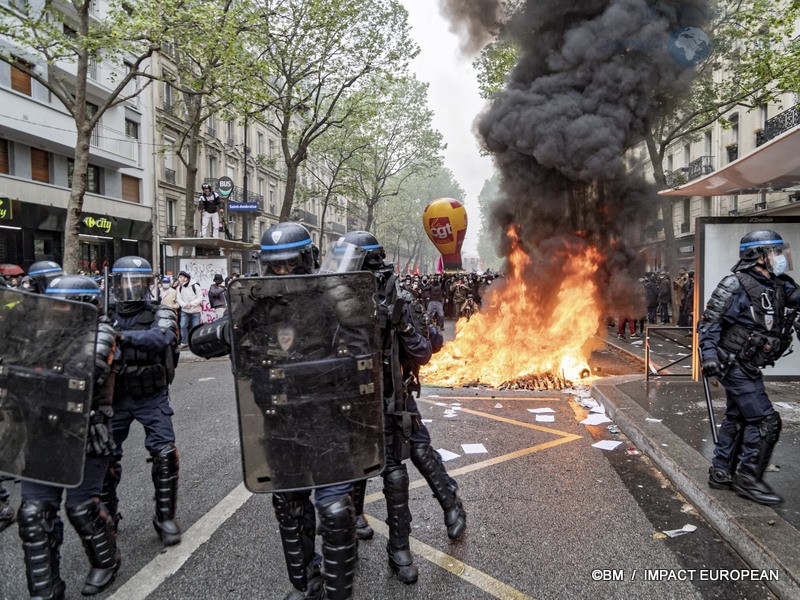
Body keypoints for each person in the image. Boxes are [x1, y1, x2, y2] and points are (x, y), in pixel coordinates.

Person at [191, 222, 372, 600]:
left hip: (327, 421)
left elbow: (361, 357)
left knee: (336, 512)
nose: (282, 273)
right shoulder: (256, 300)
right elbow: (200, 342)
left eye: (289, 265)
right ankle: (308, 583)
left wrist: (304, 373)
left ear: (306, 260)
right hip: (278, 421)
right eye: (275, 267)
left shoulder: (334, 295)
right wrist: (228, 331)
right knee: (290, 506)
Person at [339, 231, 465, 585]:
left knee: (406, 461)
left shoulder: (400, 300)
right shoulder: (338, 301)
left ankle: (434, 518)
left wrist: (403, 323)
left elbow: (424, 351)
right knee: (358, 462)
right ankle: (355, 518)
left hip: (394, 396)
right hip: (354, 399)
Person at [16, 274, 120, 597]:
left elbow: (84, 372)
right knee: (34, 513)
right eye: (55, 305)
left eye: (65, 306)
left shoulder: (102, 334)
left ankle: (107, 559)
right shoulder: (38, 334)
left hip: (85, 435)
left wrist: (31, 375)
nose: (58, 311)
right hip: (41, 432)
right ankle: (46, 587)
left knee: (82, 508)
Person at [699, 230, 800, 506]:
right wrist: (708, 356)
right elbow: (709, 323)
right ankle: (748, 477)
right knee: (766, 420)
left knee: (739, 417)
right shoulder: (735, 285)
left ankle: (721, 471)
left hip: (750, 364)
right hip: (731, 363)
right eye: (776, 252)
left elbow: (795, 300)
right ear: (759, 255)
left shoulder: (780, 284)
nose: (781, 258)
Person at [102, 256, 183, 545]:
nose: (132, 288)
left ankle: (165, 518)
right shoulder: (104, 315)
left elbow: (161, 339)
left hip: (151, 395)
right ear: (116, 284)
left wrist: (120, 338)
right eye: (127, 282)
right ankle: (107, 517)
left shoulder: (161, 312)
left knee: (165, 453)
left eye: (138, 282)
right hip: (117, 396)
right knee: (104, 457)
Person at [176, 270, 202, 349]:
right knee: (183, 326)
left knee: (195, 326)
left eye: (180, 277)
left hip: (196, 310)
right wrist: (184, 305)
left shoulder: (195, 286)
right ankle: (184, 342)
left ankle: (195, 342)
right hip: (185, 310)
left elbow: (200, 297)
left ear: (186, 278)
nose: (179, 279)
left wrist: (192, 304)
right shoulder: (179, 287)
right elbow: (178, 299)